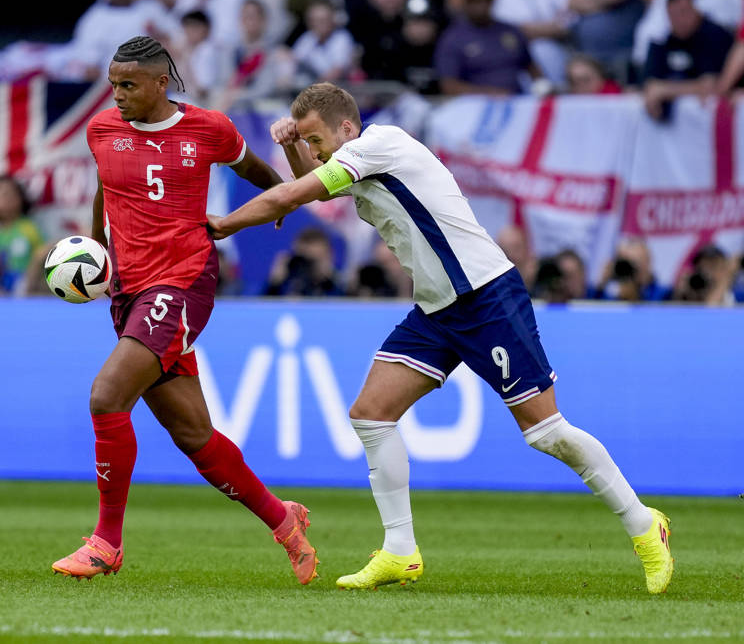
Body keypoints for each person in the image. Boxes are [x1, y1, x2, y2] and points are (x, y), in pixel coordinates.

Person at [208, 82, 673, 593]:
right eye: (312, 145)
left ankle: (644, 524)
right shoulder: (353, 159)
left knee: (547, 433)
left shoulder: (378, 145)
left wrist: (223, 225)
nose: (317, 153)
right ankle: (400, 551)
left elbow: (297, 193)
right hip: (437, 309)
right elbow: (315, 186)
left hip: (486, 297)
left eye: (320, 141)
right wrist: (293, 145)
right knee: (370, 414)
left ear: (347, 127)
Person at [50, 36, 318, 585]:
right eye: (112, 84)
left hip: (183, 282)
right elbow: (106, 186)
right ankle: (282, 518)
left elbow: (253, 170)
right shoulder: (102, 131)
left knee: (106, 396)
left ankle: (106, 543)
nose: (116, 95)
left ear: (159, 83)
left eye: (127, 85)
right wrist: (98, 245)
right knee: (193, 435)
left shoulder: (208, 128)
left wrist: (283, 203)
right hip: (129, 290)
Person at [434, 0, 549, 95]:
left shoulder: (510, 31)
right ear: (464, 1)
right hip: (475, 107)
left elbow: (531, 67)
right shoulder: (452, 38)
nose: (481, 4)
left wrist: (543, 87)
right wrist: (490, 94)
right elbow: (449, 86)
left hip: (516, 101)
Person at [642, 0, 733, 121]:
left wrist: (665, 90)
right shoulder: (665, 38)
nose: (679, 20)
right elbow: (650, 84)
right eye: (673, 16)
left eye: (683, 13)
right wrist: (657, 90)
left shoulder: (714, 35)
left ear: (694, 10)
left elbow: (713, 85)